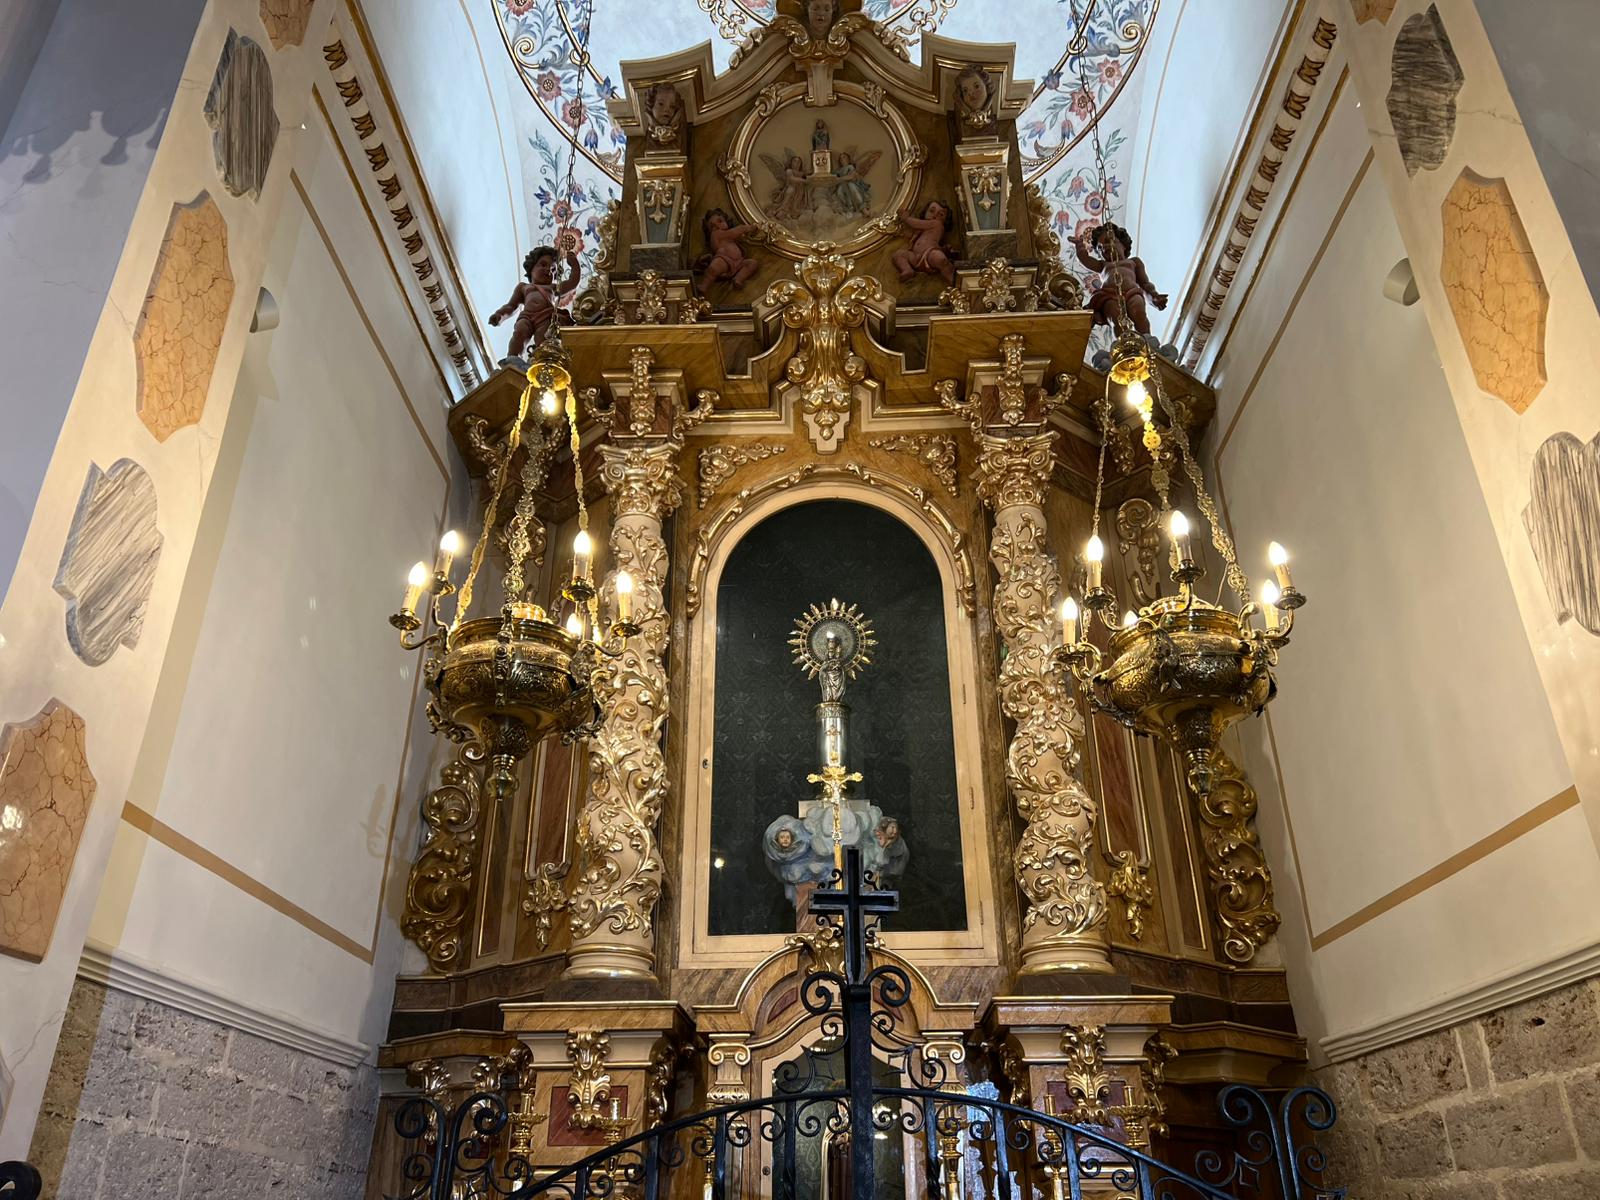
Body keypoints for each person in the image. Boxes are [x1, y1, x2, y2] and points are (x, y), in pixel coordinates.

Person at [1074, 221, 1168, 336]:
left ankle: (1147, 340)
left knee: (1139, 313)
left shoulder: (1134, 262)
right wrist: (1080, 246)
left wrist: (1154, 296)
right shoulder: (1103, 265)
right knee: (1116, 319)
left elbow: (1145, 284)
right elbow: (1086, 260)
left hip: (1132, 293)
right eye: (1099, 248)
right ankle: (1122, 342)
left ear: (1123, 245)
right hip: (1109, 295)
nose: (1104, 247)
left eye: (1108, 241)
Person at [488, 245, 579, 360]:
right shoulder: (523, 287)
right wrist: (500, 315)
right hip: (527, 316)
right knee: (519, 333)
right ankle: (513, 360)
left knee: (544, 337)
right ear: (532, 267)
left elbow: (572, 283)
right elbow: (511, 306)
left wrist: (574, 263)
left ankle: (545, 360)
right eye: (543, 265)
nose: (548, 270)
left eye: (553, 270)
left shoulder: (553, 288)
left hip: (546, 316)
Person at [893, 200, 955, 284]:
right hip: (916, 257)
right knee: (898, 254)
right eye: (932, 211)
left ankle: (952, 279)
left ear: (946, 220)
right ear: (925, 212)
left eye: (940, 214)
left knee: (939, 258)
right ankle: (907, 269)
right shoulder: (922, 230)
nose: (935, 216)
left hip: (929, 253)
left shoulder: (936, 224)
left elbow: (915, 224)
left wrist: (906, 218)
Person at [698, 208, 761, 289]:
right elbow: (734, 233)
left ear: (726, 221)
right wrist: (747, 228)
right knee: (714, 268)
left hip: (738, 262)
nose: (717, 226)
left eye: (720, 221)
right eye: (712, 226)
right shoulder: (716, 234)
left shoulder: (726, 235)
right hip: (724, 260)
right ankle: (704, 285)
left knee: (752, 263)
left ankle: (738, 278)